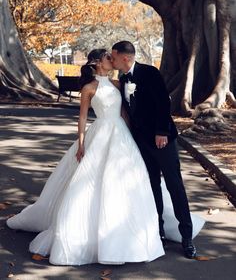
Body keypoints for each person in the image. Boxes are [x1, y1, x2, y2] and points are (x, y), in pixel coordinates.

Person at [6, 49, 165, 265]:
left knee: (125, 180)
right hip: (99, 133)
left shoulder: (118, 84)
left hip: (122, 136)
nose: (112, 61)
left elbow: (125, 113)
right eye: (109, 58)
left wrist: (136, 136)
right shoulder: (89, 88)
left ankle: (128, 237)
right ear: (98, 63)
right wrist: (81, 143)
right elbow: (81, 118)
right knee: (90, 182)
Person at [111, 41, 199, 259]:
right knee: (151, 187)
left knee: (174, 186)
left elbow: (162, 102)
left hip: (162, 140)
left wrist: (161, 132)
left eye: (113, 57)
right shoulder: (123, 79)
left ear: (125, 58)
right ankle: (157, 232)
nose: (111, 61)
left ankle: (186, 237)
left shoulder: (149, 72)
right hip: (141, 142)